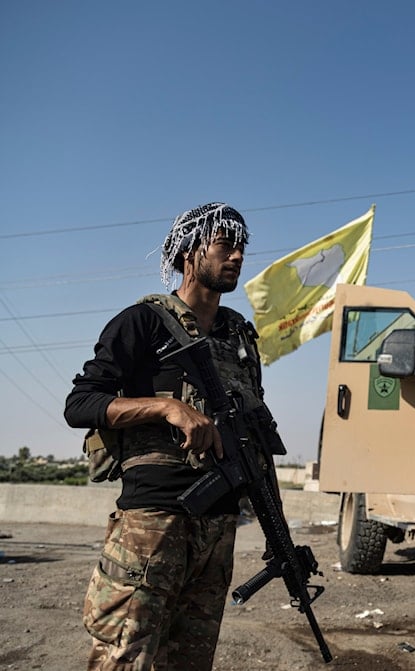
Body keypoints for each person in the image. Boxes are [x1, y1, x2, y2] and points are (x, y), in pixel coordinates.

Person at [65, 202, 262, 670]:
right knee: (122, 657)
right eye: (224, 245)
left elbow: (254, 433)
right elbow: (80, 403)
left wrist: (275, 526)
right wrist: (167, 407)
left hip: (218, 526)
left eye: (241, 247)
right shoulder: (144, 323)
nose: (236, 256)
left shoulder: (239, 336)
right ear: (190, 252)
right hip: (152, 523)